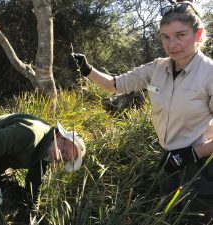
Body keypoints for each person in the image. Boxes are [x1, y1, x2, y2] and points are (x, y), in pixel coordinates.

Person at [69, 1, 213, 224]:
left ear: (198, 34)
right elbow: (115, 85)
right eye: (165, 37)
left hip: (200, 166)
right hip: (169, 161)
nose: (172, 44)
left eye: (180, 35)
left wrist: (193, 154)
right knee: (171, 217)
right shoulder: (158, 67)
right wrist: (87, 70)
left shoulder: (209, 73)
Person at [0, 113, 86, 225]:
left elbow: (35, 182)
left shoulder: (47, 151)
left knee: (5, 203)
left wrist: (33, 213)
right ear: (60, 136)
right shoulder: (30, 134)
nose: (60, 157)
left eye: (65, 158)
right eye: (64, 151)